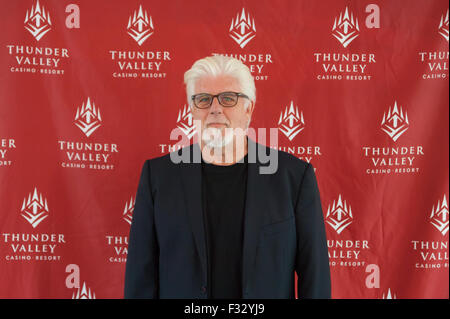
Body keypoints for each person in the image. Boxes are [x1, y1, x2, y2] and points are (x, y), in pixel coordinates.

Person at [124, 55, 331, 299]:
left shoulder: (294, 178)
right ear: (192, 109)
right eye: (203, 99)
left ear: (248, 108)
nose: (215, 109)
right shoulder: (157, 177)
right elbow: (141, 277)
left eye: (228, 98)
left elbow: (314, 277)